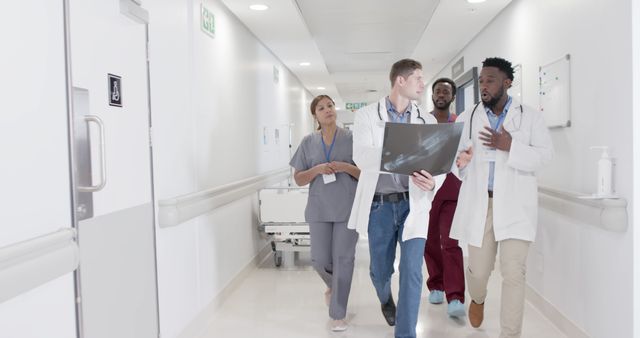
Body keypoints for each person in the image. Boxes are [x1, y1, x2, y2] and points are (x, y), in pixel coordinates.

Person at [451, 57, 554, 338]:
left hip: (516, 206)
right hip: (480, 203)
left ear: (507, 82)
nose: (483, 86)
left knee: (514, 272)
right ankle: (479, 298)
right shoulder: (468, 116)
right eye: (481, 81)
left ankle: (510, 334)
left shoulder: (530, 116)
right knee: (479, 271)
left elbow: (545, 157)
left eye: (490, 80)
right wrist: (460, 160)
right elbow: (454, 157)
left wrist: (511, 146)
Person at [348, 59, 439, 338]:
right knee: (379, 271)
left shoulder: (427, 120)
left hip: (414, 204)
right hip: (380, 206)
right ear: (401, 80)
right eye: (418, 79)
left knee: (412, 273)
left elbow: (437, 163)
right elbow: (361, 156)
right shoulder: (366, 115)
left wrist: (434, 181)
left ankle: (405, 333)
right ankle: (385, 297)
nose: (424, 85)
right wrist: (400, 153)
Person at [289, 95, 360, 332]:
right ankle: (333, 285)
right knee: (319, 259)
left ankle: (338, 313)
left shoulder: (352, 138)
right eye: (321, 108)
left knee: (344, 260)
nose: (327, 110)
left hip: (347, 207)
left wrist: (345, 167)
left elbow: (365, 174)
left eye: (330, 105)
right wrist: (317, 169)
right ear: (315, 116)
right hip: (319, 208)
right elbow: (298, 179)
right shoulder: (308, 142)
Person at [423, 78, 466, 318]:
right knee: (429, 242)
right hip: (428, 191)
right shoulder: (423, 121)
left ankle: (456, 296)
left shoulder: (459, 123)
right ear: (433, 95)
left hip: (452, 191)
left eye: (446, 91)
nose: (441, 94)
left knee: (450, 243)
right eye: (438, 90)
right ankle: (436, 285)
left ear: (452, 96)